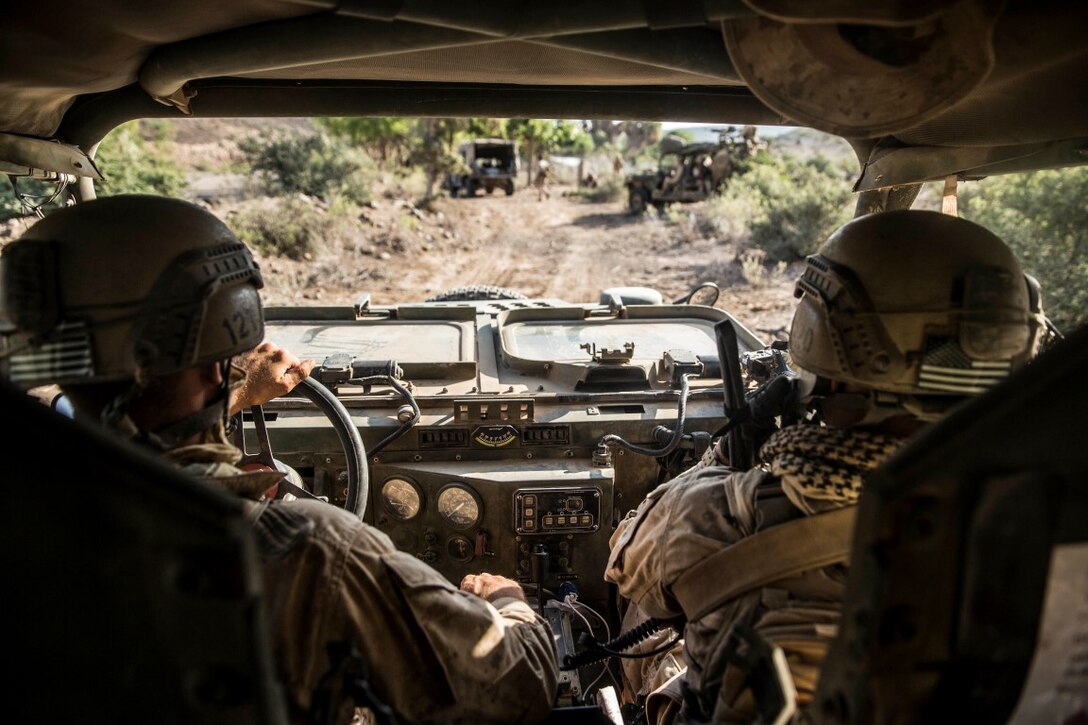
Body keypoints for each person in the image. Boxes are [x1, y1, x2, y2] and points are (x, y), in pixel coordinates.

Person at [0, 194, 559, 724]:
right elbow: (519, 689)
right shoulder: (312, 551)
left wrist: (238, 394)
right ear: (221, 355)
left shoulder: (28, 517)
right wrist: (510, 604)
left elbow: (131, 424)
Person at [603, 209, 1047, 724]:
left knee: (656, 633)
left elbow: (627, 561)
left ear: (827, 331)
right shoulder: (1049, 521)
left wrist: (722, 459)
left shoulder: (722, 513)